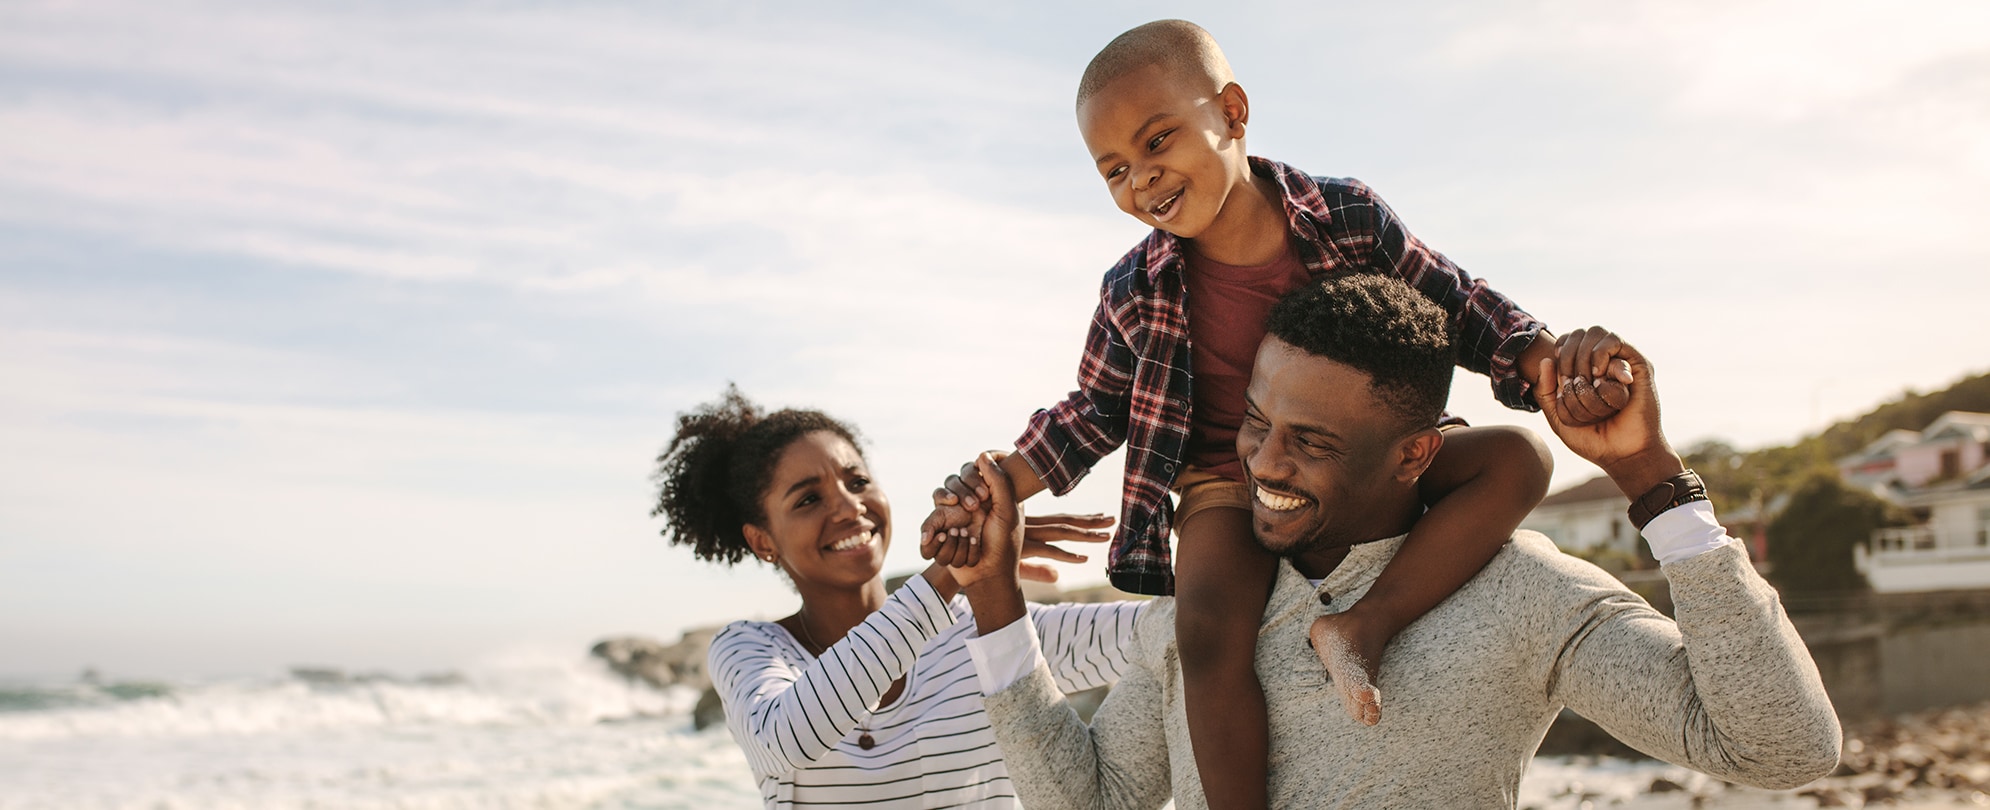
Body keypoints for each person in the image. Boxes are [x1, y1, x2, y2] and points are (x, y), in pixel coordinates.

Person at [920, 19, 1632, 808]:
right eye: (1115, 169)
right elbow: (1093, 410)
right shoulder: (1134, 288)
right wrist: (1000, 484)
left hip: (1362, 461)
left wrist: (1544, 360)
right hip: (1228, 481)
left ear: (1232, 111)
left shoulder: (1346, 216)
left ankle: (1365, 624)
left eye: (1159, 141)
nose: (1143, 180)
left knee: (1519, 460)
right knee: (1207, 628)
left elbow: (1457, 302)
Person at [948, 274, 1842, 809]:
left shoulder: (1520, 594)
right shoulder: (1202, 614)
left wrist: (1652, 481)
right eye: (1257, 423)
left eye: (1313, 442)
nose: (1264, 463)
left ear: (1417, 453)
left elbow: (1784, 747)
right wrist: (996, 603)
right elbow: (1094, 800)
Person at [651, 387, 1146, 809]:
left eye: (858, 481)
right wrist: (955, 570)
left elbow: (1167, 635)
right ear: (762, 540)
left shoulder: (988, 627)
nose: (849, 506)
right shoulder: (749, 648)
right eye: (808, 499)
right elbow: (784, 739)